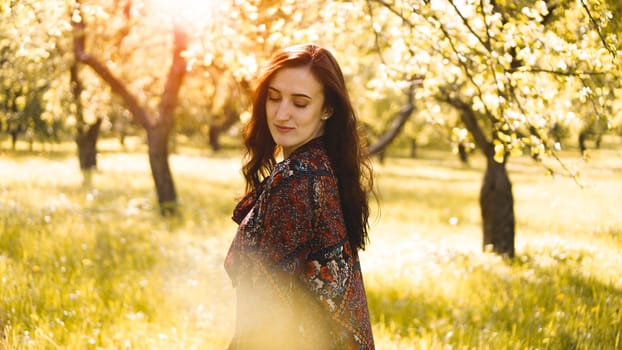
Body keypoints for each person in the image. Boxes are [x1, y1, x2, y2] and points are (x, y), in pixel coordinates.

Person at [224, 43, 375, 350]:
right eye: (274, 97)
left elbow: (269, 307)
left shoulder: (298, 177)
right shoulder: (323, 166)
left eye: (300, 103)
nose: (282, 113)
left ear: (328, 108)